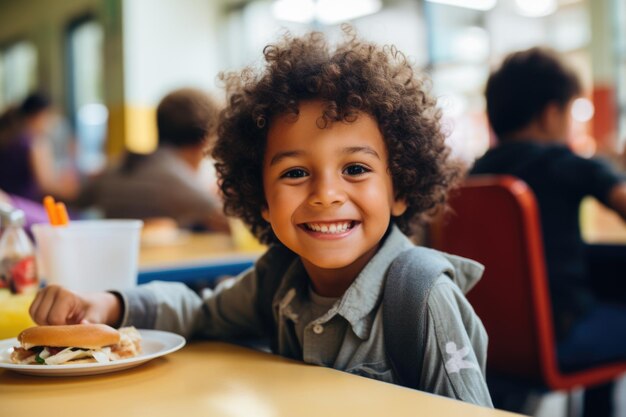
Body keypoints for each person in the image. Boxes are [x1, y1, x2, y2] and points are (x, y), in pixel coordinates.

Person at [28, 28, 492, 406]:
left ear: (400, 189)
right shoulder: (278, 280)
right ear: (262, 200)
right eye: (295, 172)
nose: (327, 194)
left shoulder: (421, 299)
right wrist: (109, 305)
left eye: (355, 169)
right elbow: (200, 311)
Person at [471, 47, 626, 416]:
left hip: (492, 342)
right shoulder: (565, 162)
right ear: (551, 113)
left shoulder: (474, 175)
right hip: (562, 336)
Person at [76, 88, 229, 232]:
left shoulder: (116, 168)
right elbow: (233, 225)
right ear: (206, 141)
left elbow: (79, 199)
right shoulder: (174, 178)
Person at [0, 93, 79, 201]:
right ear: (40, 115)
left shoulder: (8, 137)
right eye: (51, 116)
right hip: (23, 206)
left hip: (7, 206)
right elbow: (47, 186)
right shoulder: (35, 143)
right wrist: (77, 191)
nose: (54, 122)